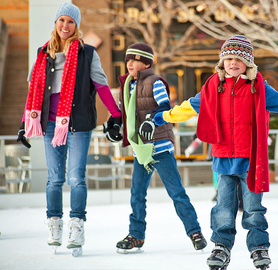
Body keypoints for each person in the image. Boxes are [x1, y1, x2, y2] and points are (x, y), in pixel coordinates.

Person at [149, 35, 278, 270]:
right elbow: (190, 106)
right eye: (229, 58)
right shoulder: (214, 87)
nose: (233, 63)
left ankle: (258, 247)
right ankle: (221, 246)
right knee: (223, 207)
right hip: (224, 157)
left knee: (253, 208)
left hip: (251, 159)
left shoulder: (258, 88)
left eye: (239, 59)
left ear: (248, 63)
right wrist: (168, 116)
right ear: (222, 61)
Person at [16, 2, 122, 256]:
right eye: (62, 20)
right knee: (54, 179)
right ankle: (54, 223)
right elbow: (33, 93)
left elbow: (102, 86)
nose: (65, 26)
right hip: (50, 124)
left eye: (71, 22)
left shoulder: (88, 53)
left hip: (79, 123)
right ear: (56, 23)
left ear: (77, 26)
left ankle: (77, 224)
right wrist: (24, 124)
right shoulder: (43, 54)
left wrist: (116, 115)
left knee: (76, 177)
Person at [106, 42, 207, 252]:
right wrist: (113, 124)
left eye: (134, 60)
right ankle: (136, 235)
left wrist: (153, 119)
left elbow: (165, 106)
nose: (129, 64)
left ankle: (195, 232)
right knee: (137, 194)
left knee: (176, 192)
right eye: (127, 60)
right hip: (140, 149)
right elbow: (121, 112)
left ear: (146, 63)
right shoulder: (126, 85)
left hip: (159, 147)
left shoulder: (155, 82)